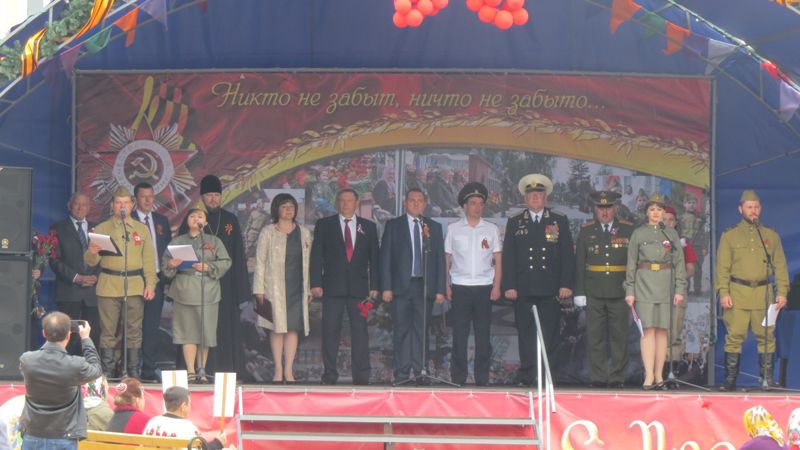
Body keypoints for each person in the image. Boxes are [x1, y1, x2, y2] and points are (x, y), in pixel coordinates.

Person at [502, 174, 574, 387]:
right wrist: (510, 285)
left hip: (550, 288)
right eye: (531, 194)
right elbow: (509, 256)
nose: (535, 197)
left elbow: (567, 255)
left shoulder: (558, 220)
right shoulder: (515, 221)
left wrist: (566, 284)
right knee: (525, 334)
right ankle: (527, 376)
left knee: (550, 334)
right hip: (523, 288)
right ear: (525, 198)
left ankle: (548, 376)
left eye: (539, 194)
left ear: (546, 197)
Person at [715, 190, 789, 391]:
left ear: (760, 209)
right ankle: (730, 381)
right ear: (740, 209)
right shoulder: (730, 235)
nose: (753, 210)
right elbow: (722, 267)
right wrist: (723, 292)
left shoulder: (770, 235)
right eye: (749, 207)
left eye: (756, 207)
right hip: (737, 293)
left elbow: (780, 266)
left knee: (767, 337)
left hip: (764, 293)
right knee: (734, 337)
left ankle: (767, 380)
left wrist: (782, 292)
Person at [179, 174, 249, 376]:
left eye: (216, 195)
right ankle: (195, 371)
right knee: (197, 327)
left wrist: (242, 291)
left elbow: (238, 256)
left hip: (224, 284)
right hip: (197, 284)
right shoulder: (192, 219)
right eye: (209, 195)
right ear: (202, 197)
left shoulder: (230, 220)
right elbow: (181, 249)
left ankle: (222, 370)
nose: (213, 199)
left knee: (222, 328)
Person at [85, 186, 157, 379]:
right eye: (118, 202)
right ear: (112, 205)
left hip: (134, 284)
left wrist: (150, 284)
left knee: (134, 330)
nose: (122, 206)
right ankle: (107, 372)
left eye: (126, 202)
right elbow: (91, 262)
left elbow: (149, 261)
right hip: (109, 284)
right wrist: (92, 252)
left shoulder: (141, 229)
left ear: (132, 205)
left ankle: (133, 372)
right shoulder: (102, 228)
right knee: (107, 331)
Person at [311, 189, 379, 385]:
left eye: (350, 200)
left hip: (359, 289)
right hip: (332, 287)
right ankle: (329, 375)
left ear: (356, 203)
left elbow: (375, 259)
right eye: (342, 200)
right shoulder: (325, 225)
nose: (346, 204)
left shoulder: (368, 226)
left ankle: (362, 376)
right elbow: (316, 255)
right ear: (337, 203)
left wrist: (375, 285)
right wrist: (315, 282)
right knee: (330, 332)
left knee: (360, 332)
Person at [380, 189, 446, 385]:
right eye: (412, 200)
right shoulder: (393, 225)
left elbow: (439, 260)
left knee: (421, 331)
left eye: (420, 201)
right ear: (405, 203)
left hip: (424, 287)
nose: (416, 204)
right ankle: (401, 373)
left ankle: (420, 371)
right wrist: (386, 287)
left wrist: (440, 289)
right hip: (401, 287)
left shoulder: (433, 227)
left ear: (425, 204)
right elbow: (385, 258)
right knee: (401, 330)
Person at [624, 193, 687, 390]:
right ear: (647, 212)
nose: (656, 213)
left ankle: (660, 374)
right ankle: (649, 374)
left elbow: (679, 263)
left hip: (666, 284)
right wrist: (630, 290)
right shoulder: (638, 234)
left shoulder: (670, 233)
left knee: (662, 331)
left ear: (663, 212)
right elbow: (631, 263)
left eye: (659, 209)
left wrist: (679, 288)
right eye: (652, 209)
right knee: (647, 330)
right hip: (644, 284)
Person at [573, 191, 634, 388]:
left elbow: (634, 263)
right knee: (595, 336)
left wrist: (632, 289)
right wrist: (579, 292)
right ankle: (598, 377)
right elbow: (579, 264)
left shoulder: (627, 229)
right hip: (594, 291)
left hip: (620, 290)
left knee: (619, 337)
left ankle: (617, 377)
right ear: (595, 209)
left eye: (608, 207)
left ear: (616, 208)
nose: (605, 212)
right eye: (600, 208)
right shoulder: (586, 230)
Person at [163, 208, 232, 382]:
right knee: (188, 333)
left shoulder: (214, 241)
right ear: (187, 221)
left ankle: (202, 370)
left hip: (208, 291)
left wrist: (209, 267)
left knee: (205, 333)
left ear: (205, 222)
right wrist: (171, 264)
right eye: (192, 216)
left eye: (200, 216)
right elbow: (165, 265)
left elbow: (226, 261)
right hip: (184, 290)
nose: (196, 219)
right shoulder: (178, 241)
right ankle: (190, 370)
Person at [444, 182, 502, 387]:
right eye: (473, 203)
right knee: (459, 335)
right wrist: (446, 284)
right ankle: (458, 378)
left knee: (483, 335)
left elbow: (498, 259)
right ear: (465, 206)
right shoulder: (453, 229)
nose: (477, 207)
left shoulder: (491, 229)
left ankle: (482, 378)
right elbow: (447, 259)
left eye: (480, 203)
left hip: (484, 287)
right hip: (460, 287)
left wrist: (496, 286)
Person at [18, 312, 103, 449]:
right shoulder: (75, 365)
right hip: (63, 435)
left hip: (32, 433)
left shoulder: (26, 360)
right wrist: (86, 338)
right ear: (68, 335)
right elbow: (96, 370)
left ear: (44, 333)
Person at [252, 193, 312, 383]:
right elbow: (260, 262)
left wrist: (308, 289)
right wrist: (259, 290)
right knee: (276, 328)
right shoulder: (268, 232)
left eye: (291, 206)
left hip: (297, 287)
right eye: (284, 206)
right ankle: (278, 369)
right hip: (272, 287)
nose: (288, 210)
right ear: (276, 209)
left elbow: (308, 263)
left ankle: (289, 370)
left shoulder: (303, 232)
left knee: (293, 328)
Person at [49, 192, 101, 353]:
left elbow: (105, 257)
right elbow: (54, 260)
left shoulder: (97, 229)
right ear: (69, 206)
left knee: (93, 335)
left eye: (84, 204)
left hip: (93, 292)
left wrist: (96, 276)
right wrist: (76, 277)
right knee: (66, 335)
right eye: (77, 204)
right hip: (68, 290)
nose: (80, 208)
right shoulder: (57, 228)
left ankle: (90, 365)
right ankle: (65, 365)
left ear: (89, 208)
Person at [132, 182, 173, 381]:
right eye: (143, 196)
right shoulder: (128, 220)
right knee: (132, 326)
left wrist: (167, 279)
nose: (148, 200)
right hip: (133, 280)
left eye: (151, 196)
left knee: (151, 327)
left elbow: (168, 252)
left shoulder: (161, 221)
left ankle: (148, 369)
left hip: (155, 281)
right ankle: (130, 368)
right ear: (135, 199)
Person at [663, 205, 698, 374]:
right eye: (664, 220)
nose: (667, 223)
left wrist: (675, 275)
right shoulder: (649, 241)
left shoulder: (683, 243)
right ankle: (656, 372)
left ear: (676, 223)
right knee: (657, 332)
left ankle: (672, 371)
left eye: (671, 220)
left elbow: (691, 269)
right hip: (656, 291)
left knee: (674, 331)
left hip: (677, 289)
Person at [142, 386, 226, 449]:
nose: (190, 407)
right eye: (189, 403)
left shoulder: (152, 422)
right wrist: (218, 443)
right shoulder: (187, 427)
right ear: (183, 406)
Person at [679, 193, 707, 295]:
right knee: (686, 267)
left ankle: (697, 289)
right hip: (685, 245)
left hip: (697, 246)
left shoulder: (700, 218)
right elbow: (678, 232)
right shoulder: (680, 218)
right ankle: (686, 289)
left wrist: (704, 247)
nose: (691, 205)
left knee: (698, 268)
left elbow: (704, 233)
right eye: (689, 202)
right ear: (684, 204)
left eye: (694, 203)